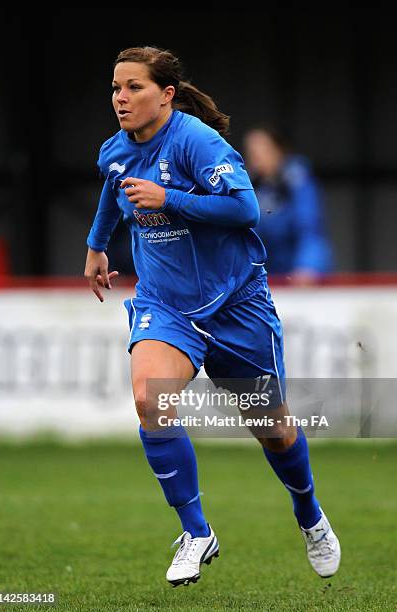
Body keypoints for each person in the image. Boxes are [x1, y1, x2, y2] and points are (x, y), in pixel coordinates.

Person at [84, 46, 340, 587]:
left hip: (235, 303)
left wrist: (169, 198)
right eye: (115, 88)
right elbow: (112, 187)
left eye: (134, 88)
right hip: (165, 303)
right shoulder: (116, 149)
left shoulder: (198, 142)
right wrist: (96, 246)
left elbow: (245, 210)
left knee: (273, 430)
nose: (120, 98)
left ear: (167, 94)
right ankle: (196, 531)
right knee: (150, 398)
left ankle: (309, 514)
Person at [243, 126, 333, 284]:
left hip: (302, 276)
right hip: (268, 278)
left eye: (263, 151)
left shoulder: (298, 182)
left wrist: (308, 267)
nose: (256, 158)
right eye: (252, 153)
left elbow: (310, 229)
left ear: (280, 151)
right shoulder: (250, 188)